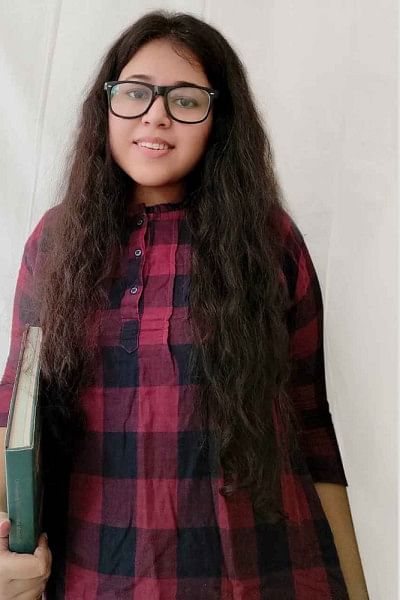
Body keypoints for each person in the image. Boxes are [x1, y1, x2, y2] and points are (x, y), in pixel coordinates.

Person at [0, 9, 369, 600]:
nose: (156, 115)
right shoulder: (55, 242)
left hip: (260, 569)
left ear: (218, 121)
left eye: (186, 100)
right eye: (136, 92)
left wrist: (356, 588)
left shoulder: (269, 241)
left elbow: (311, 426)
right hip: (97, 570)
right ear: (106, 106)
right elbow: (17, 416)